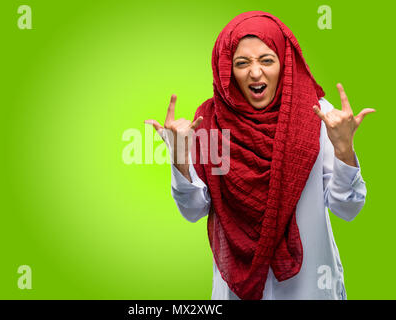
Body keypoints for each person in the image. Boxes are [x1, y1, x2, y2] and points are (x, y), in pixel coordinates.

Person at [144, 11, 375, 300]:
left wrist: (343, 149)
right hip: (236, 293)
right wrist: (179, 156)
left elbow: (348, 209)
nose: (255, 73)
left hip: (310, 288)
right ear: (227, 69)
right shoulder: (210, 122)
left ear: (285, 62)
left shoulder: (319, 115)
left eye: (267, 60)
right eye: (242, 63)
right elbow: (193, 210)